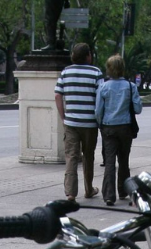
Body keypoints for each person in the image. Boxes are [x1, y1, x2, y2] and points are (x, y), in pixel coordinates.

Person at [54, 42, 103, 202]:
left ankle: (71, 193)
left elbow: (57, 95)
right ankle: (89, 189)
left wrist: (63, 117)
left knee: (71, 157)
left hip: (71, 123)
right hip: (90, 123)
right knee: (88, 156)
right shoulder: (96, 72)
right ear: (88, 55)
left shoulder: (66, 72)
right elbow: (101, 98)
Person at [94, 54, 141, 206]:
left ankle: (109, 195)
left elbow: (98, 111)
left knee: (109, 161)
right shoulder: (130, 86)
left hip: (108, 127)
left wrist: (101, 124)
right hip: (125, 127)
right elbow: (138, 108)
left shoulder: (104, 87)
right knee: (124, 160)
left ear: (109, 69)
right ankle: (123, 190)